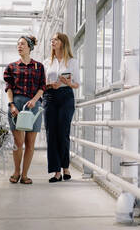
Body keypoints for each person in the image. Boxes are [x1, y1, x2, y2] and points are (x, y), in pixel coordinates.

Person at [3, 35, 46, 185]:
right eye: (18, 44)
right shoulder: (12, 67)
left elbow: (42, 87)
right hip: (16, 104)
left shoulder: (39, 67)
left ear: (29, 47)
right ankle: (16, 171)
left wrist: (35, 100)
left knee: (30, 142)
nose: (19, 46)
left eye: (22, 44)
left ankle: (25, 174)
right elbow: (8, 88)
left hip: (34, 105)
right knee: (18, 141)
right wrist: (11, 105)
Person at [43, 32, 79, 183]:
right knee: (51, 134)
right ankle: (56, 171)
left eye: (56, 39)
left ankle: (66, 167)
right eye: (51, 40)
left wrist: (66, 82)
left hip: (66, 96)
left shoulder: (72, 62)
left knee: (63, 132)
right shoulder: (46, 63)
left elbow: (76, 84)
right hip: (50, 96)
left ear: (63, 43)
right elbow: (41, 85)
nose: (53, 41)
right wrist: (51, 84)